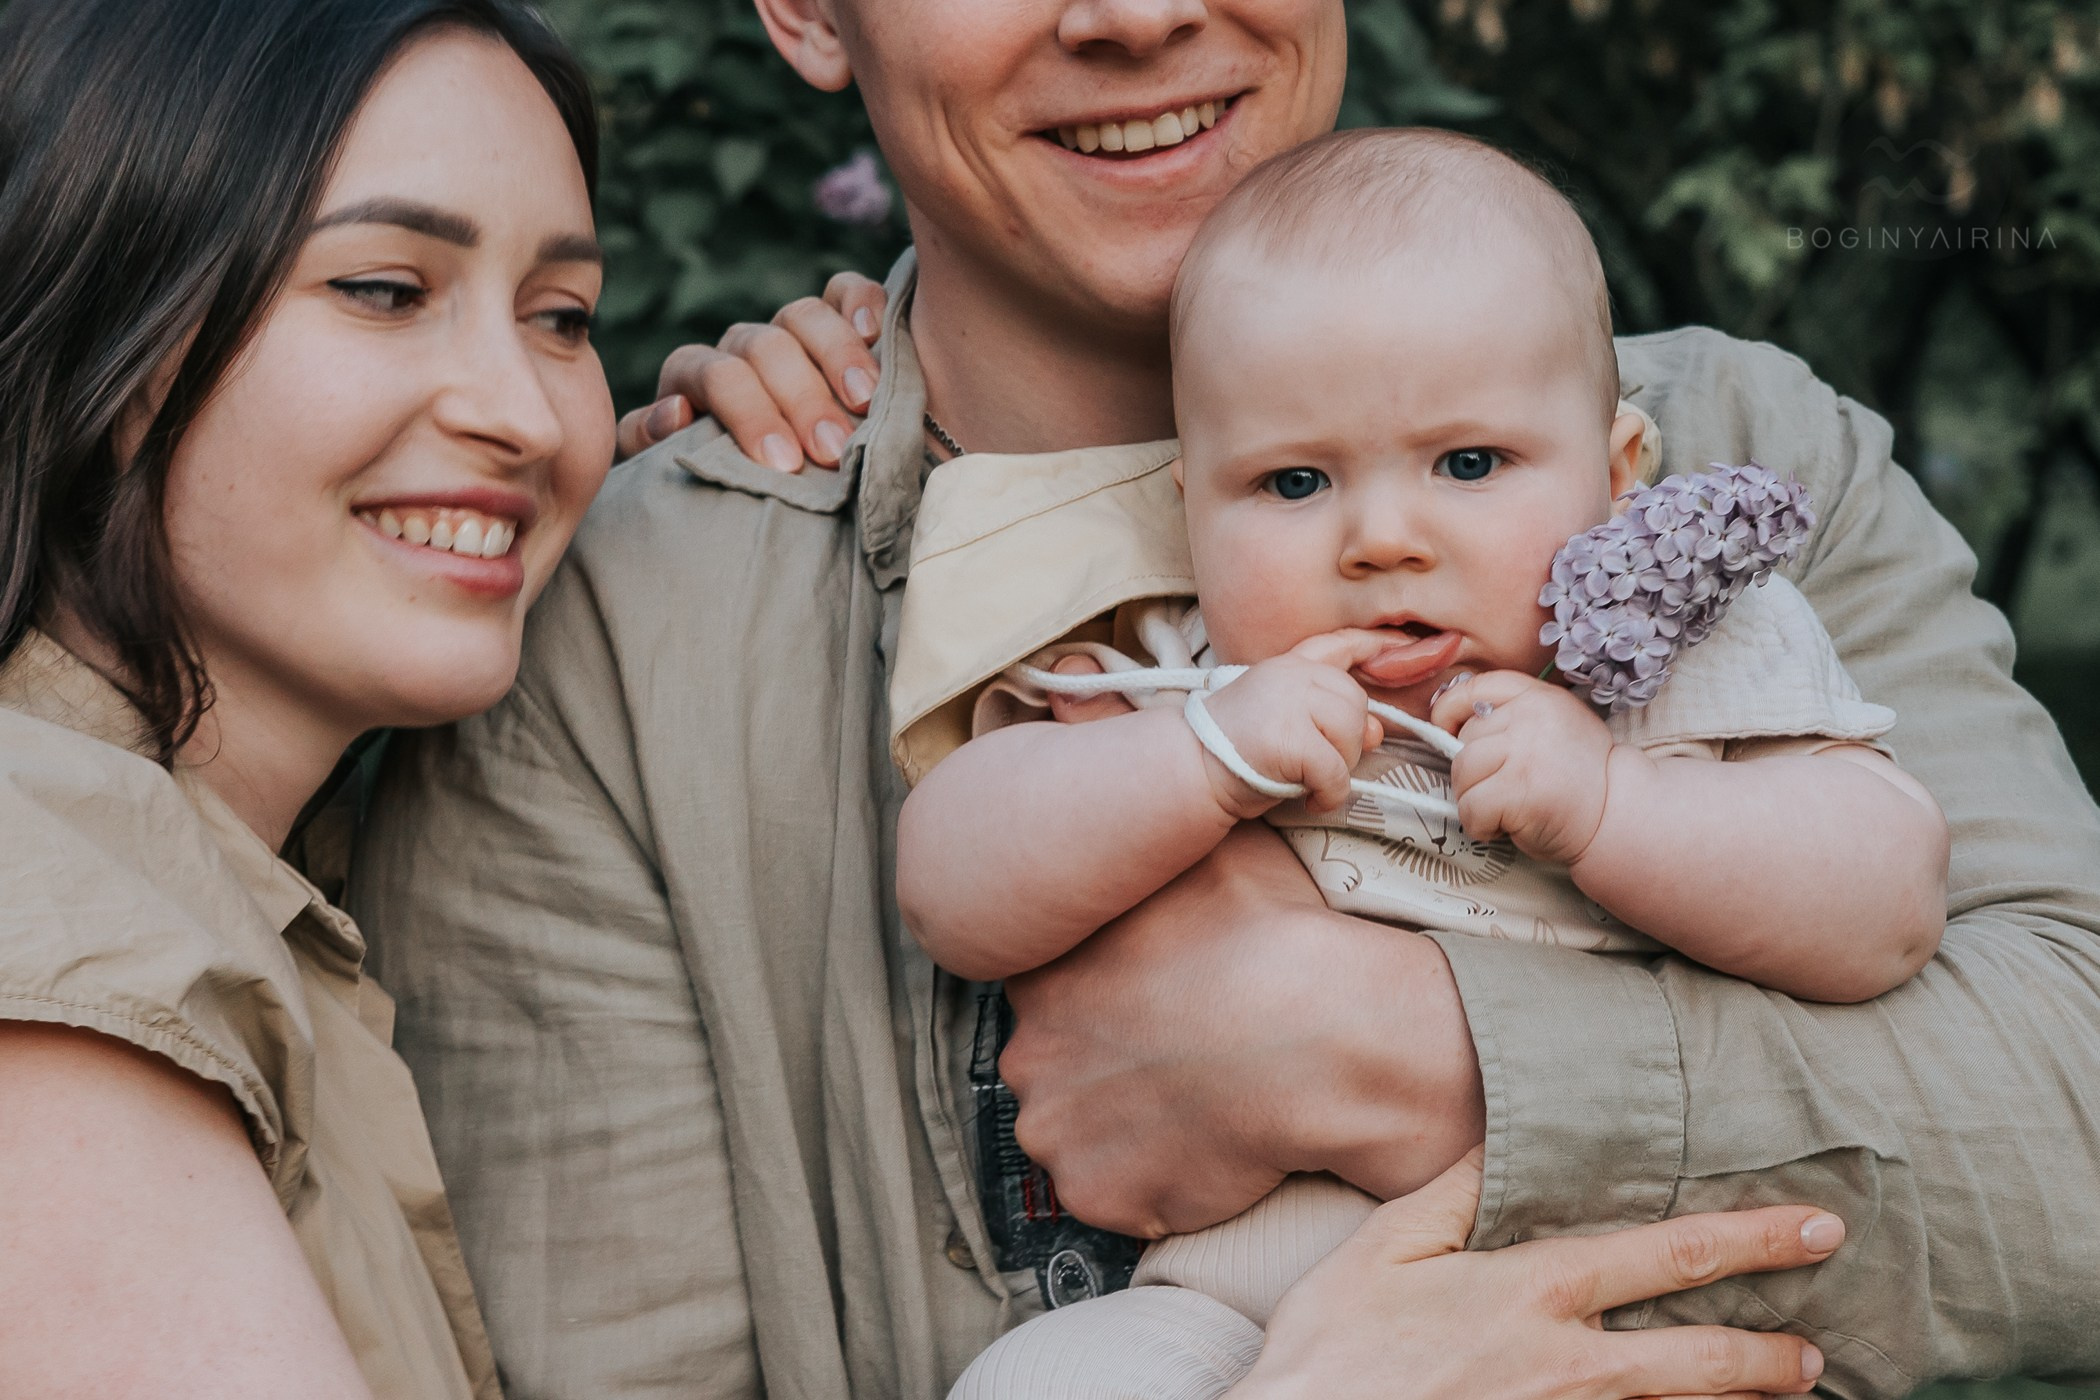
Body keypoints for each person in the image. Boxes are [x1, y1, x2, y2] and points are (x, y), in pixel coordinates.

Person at [355, 0, 2100, 1396]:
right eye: (1292, 487)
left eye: (1473, 462)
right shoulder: (627, 635)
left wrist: (1383, 1053)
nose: (1134, 15)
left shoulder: (1737, 471)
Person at [899, 127, 1950, 1397]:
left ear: (1616, 474)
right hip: (1235, 1316)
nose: (1382, 537)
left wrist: (1615, 805)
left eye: (1468, 463)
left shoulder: (1680, 662)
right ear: (1191, 510)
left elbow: (1889, 901)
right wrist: (1202, 761)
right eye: (1294, 481)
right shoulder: (1189, 675)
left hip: (1613, 1325)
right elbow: (950, 885)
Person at [0, 0, 615, 1393]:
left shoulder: (223, 883)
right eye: (385, 290)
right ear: (105, 298)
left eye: (564, 317)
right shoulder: (53, 918)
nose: (526, 413)